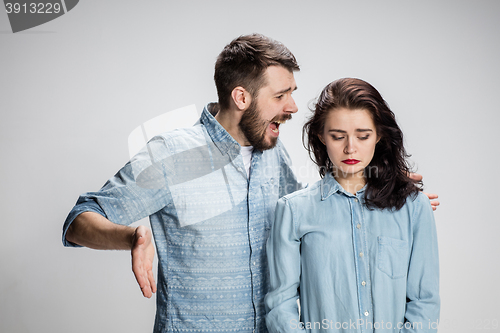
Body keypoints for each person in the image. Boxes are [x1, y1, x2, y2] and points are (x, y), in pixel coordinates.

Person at [63, 35, 439, 333]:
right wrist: (131, 237)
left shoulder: (273, 153)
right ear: (241, 96)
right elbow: (79, 220)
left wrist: (382, 181)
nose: (292, 107)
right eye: (281, 95)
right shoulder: (169, 155)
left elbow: (317, 209)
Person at [265, 78, 440, 333]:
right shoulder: (293, 212)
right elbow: (280, 305)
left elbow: (425, 303)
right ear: (321, 136)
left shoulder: (414, 208)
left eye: (363, 136)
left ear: (379, 135)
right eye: (338, 136)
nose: (350, 148)